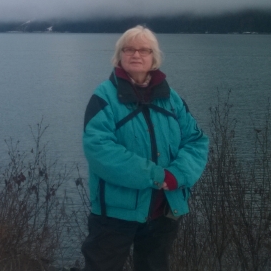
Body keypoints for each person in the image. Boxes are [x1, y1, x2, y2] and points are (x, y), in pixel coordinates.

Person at [81, 26, 209, 271]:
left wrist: (177, 175)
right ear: (119, 55)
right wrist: (155, 175)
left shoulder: (171, 98)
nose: (136, 55)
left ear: (154, 57)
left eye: (144, 50)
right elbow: (98, 148)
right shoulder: (104, 97)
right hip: (114, 213)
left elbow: (196, 141)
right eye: (129, 49)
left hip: (163, 209)